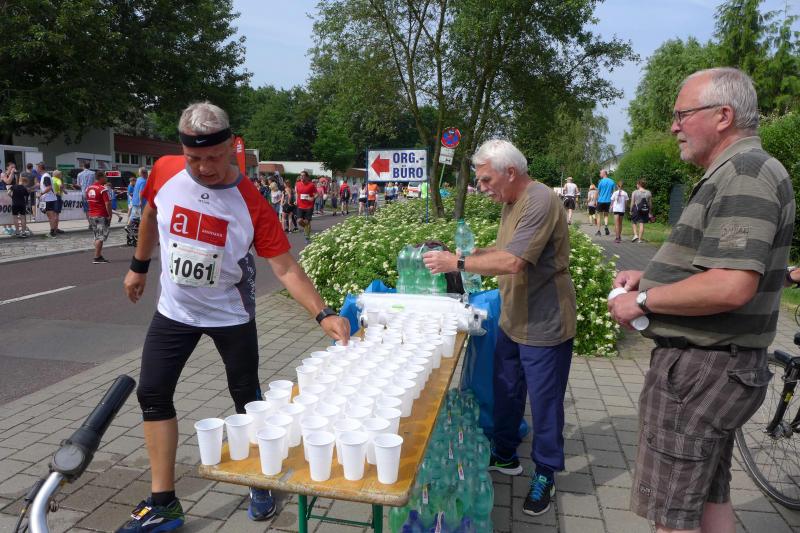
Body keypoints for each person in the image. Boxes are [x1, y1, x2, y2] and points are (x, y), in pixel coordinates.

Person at [118, 102, 350, 532]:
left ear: (231, 147)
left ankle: (259, 478)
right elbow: (150, 212)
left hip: (230, 314)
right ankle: (164, 503)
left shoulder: (251, 202)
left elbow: (285, 267)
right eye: (194, 158)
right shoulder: (165, 171)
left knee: (247, 398)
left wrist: (323, 313)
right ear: (181, 150)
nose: (205, 168)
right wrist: (139, 266)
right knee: (151, 393)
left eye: (215, 157)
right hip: (175, 311)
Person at [607, 67, 794, 533]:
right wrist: (652, 275)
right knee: (709, 495)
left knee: (673, 517)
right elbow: (716, 266)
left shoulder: (745, 174)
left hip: (701, 370)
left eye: (681, 114)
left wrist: (644, 300)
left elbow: (731, 285)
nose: (673, 126)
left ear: (723, 116)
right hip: (717, 368)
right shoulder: (738, 170)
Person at [423, 139, 576, 518]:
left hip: (544, 322)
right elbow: (502, 251)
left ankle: (545, 472)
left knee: (545, 403)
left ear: (510, 172)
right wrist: (476, 255)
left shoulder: (540, 200)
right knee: (506, 391)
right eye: (479, 181)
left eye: (486, 180)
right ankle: (505, 454)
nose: (482, 188)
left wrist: (458, 262)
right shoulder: (511, 202)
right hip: (513, 317)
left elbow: (514, 262)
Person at [86, 171, 112, 263]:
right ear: (101, 178)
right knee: (100, 237)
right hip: (101, 214)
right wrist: (110, 215)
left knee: (96, 235)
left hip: (92, 214)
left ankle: (99, 255)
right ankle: (97, 257)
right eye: (105, 177)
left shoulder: (89, 188)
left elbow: (88, 200)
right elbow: (107, 203)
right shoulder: (102, 189)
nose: (106, 179)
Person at [37, 163, 59, 238]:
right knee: (51, 216)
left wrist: (41, 193)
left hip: (48, 199)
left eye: (37, 168)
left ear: (40, 168)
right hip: (48, 198)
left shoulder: (45, 176)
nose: (37, 169)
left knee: (51, 216)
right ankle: (53, 231)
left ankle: (52, 232)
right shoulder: (45, 176)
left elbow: (49, 187)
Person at [295, 170, 316, 243]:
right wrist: (296, 200)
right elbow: (297, 193)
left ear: (307, 177)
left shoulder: (311, 185)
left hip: (309, 206)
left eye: (303, 175)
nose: (301, 177)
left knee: (307, 222)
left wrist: (313, 198)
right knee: (299, 221)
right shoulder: (297, 184)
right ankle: (306, 229)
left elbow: (316, 194)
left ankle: (307, 237)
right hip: (300, 206)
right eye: (300, 175)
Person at [596, 169, 615, 236]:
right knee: (606, 215)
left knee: (599, 216)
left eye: (600, 173)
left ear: (604, 173)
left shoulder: (601, 181)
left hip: (600, 201)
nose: (600, 174)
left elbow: (598, 192)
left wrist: (596, 200)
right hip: (608, 201)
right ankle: (606, 226)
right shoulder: (612, 181)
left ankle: (598, 231)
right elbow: (613, 192)